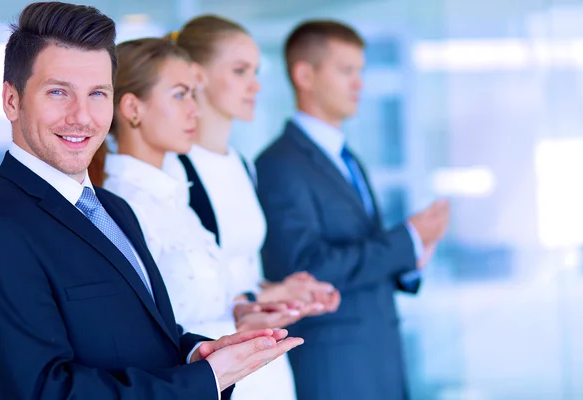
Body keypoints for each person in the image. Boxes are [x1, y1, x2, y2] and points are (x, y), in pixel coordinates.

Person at [0, 3, 303, 399]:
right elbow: (39, 392)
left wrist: (195, 353)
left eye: (97, 93)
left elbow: (139, 336)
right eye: (58, 92)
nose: (82, 116)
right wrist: (204, 380)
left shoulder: (114, 210)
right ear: (11, 101)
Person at [88, 34, 336, 400]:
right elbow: (139, 336)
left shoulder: (178, 197)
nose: (195, 110)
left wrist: (249, 309)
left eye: (192, 94)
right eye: (180, 95)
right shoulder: (120, 208)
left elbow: (201, 296)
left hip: (245, 377)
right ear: (132, 109)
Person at [255, 20, 451, 400]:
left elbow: (360, 251)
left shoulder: (348, 158)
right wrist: (407, 239)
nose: (360, 82)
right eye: (347, 71)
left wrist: (411, 260)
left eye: (360, 71)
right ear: (304, 74)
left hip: (379, 357)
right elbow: (305, 267)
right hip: (335, 366)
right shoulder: (278, 164)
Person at [161, 15, 341, 399]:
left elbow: (240, 269)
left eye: (256, 71)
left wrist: (282, 290)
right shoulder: (173, 169)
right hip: (217, 357)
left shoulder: (242, 164)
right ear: (198, 75)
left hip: (266, 356)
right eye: (241, 71)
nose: (255, 85)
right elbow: (180, 287)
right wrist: (257, 301)